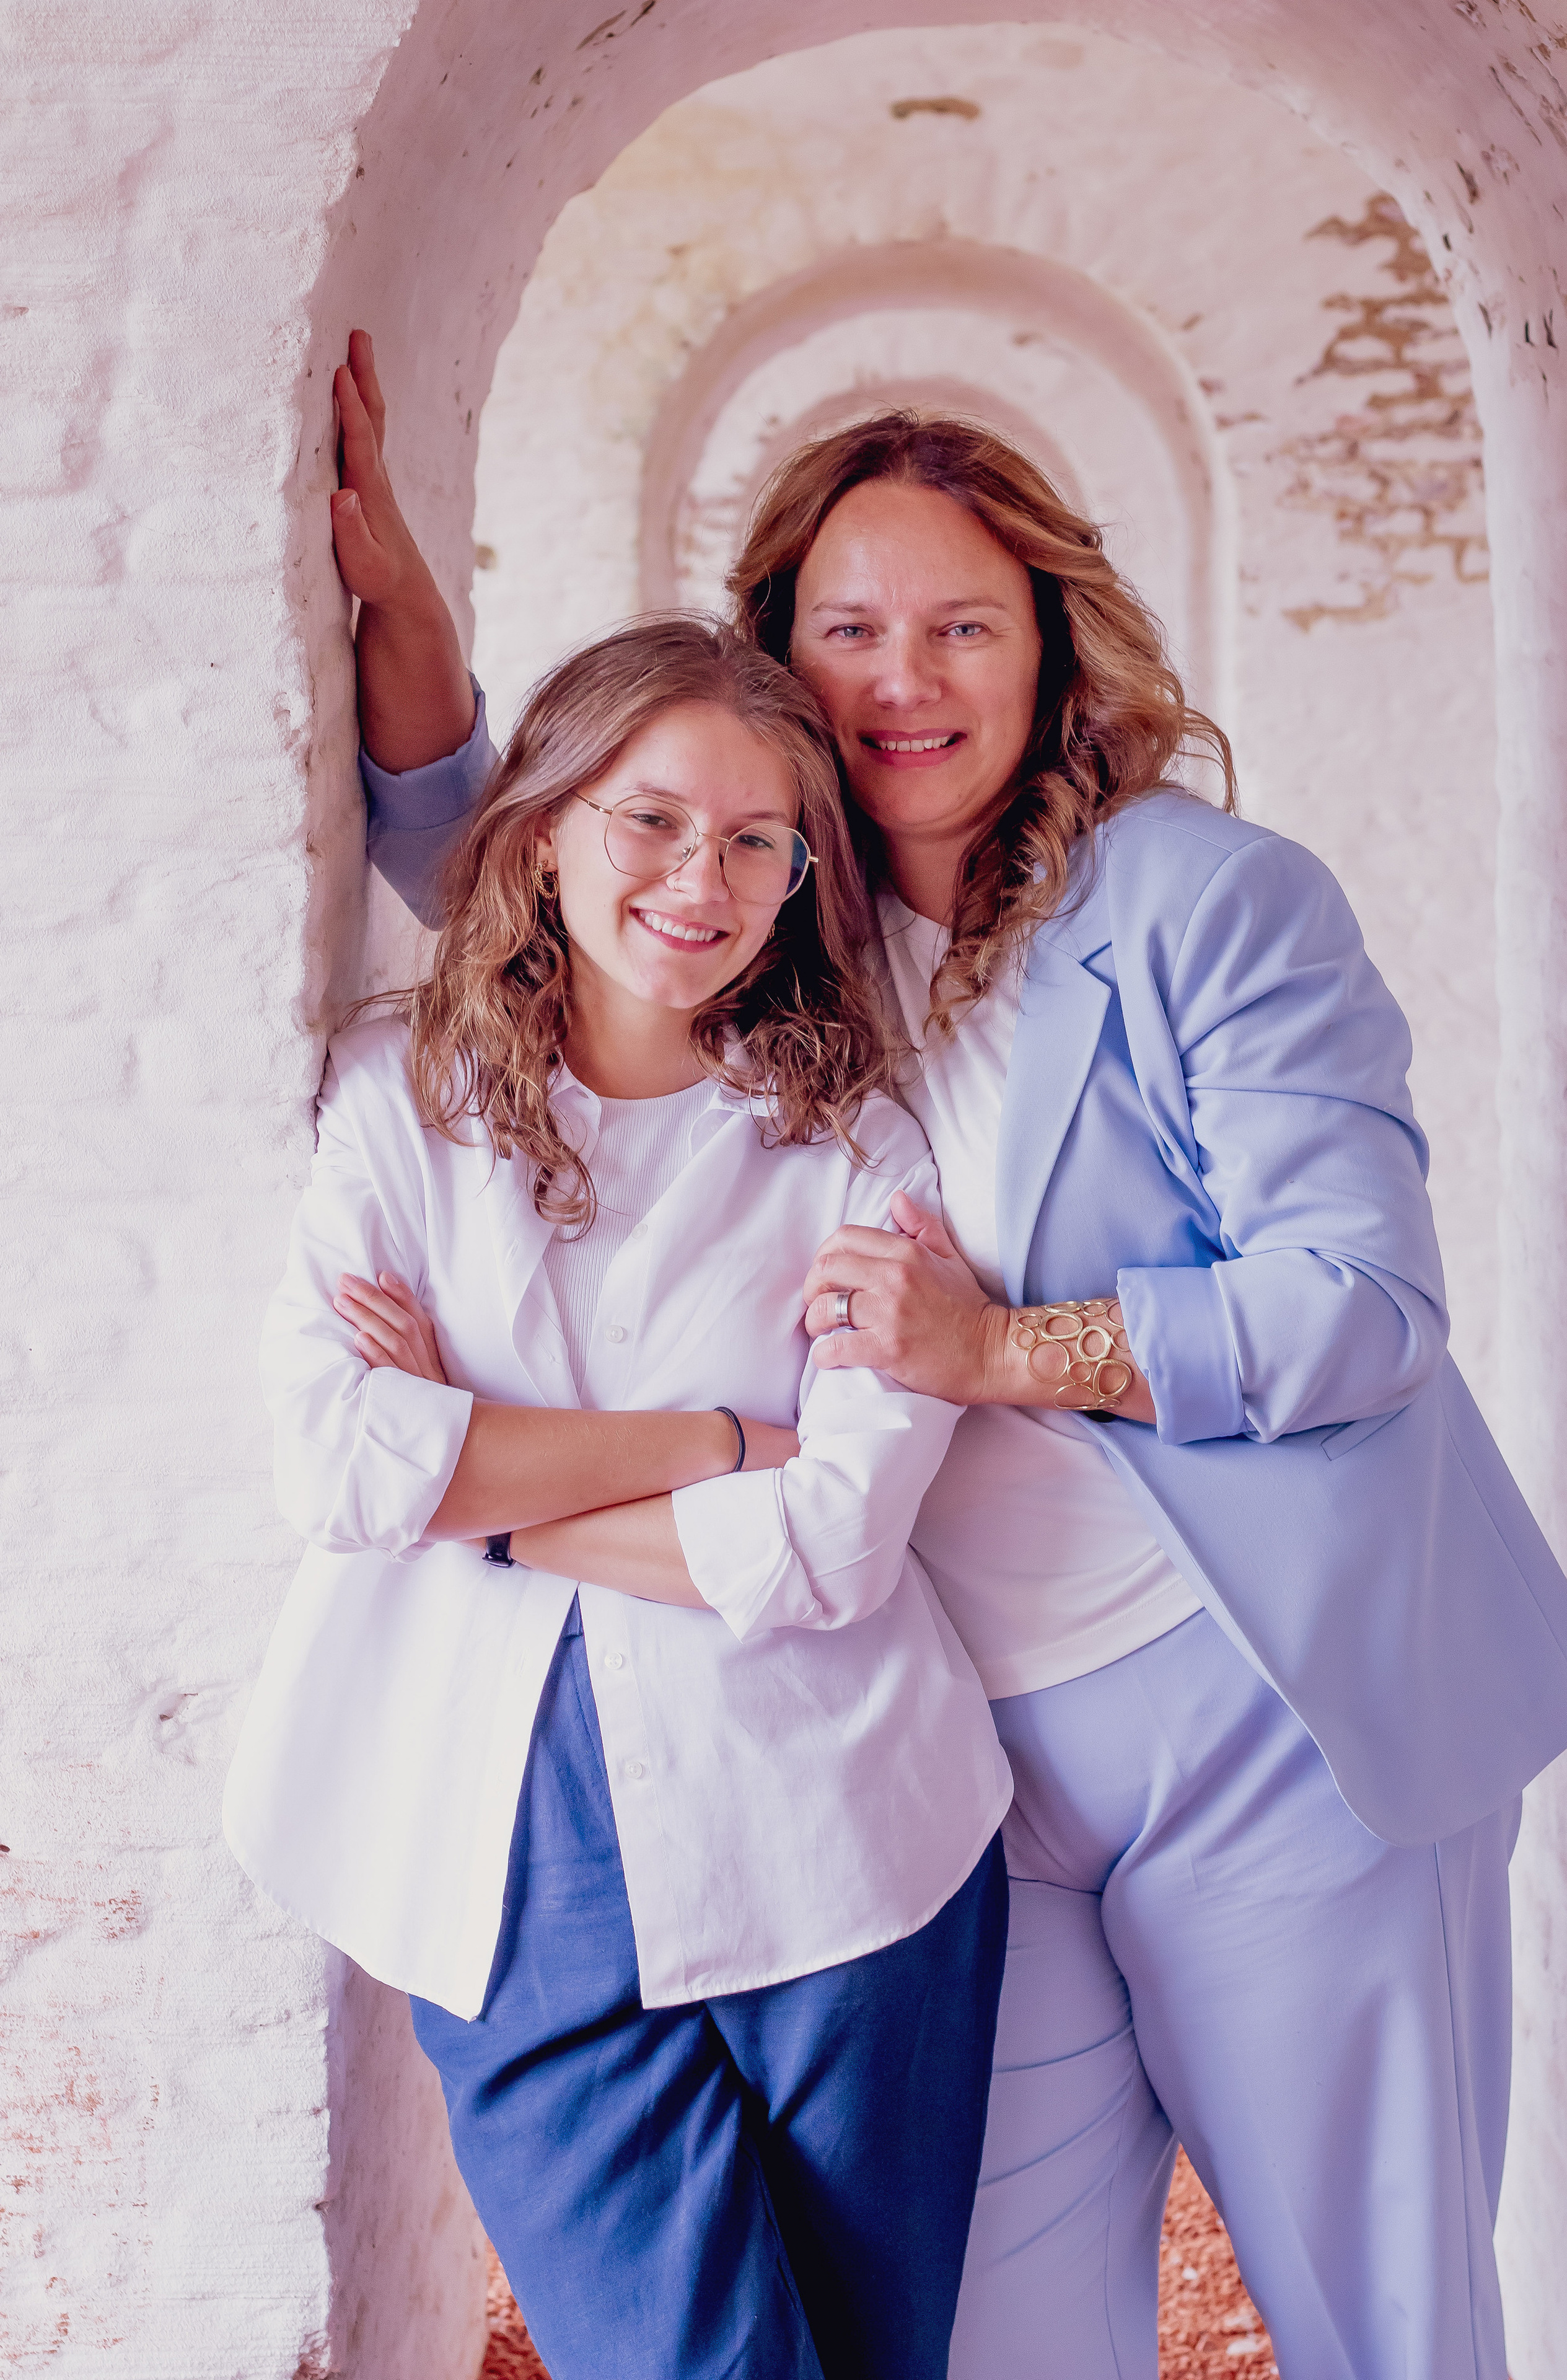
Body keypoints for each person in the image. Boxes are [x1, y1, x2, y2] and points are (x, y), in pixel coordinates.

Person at [332, 331, 1567, 2380]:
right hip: (971, 1774)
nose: (901, 678)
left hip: (1263, 1714)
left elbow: (1362, 1307)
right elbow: (523, 845)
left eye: (957, 626)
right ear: (776, 667)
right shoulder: (774, 911)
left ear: (1054, 646)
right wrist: (398, 616)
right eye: (846, 630)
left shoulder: (1215, 903)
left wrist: (1002, 1348)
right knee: (1002, 2343)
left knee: (1379, 2329)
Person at [224, 614, 1013, 2380]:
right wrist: (714, 1444)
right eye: (650, 821)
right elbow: (346, 1467)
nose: (699, 880)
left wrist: (483, 1482)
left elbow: (829, 1546)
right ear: (542, 831)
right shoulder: (395, 1100)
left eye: (755, 840)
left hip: (855, 1852)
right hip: (506, 1877)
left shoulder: (860, 1149)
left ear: (805, 874)